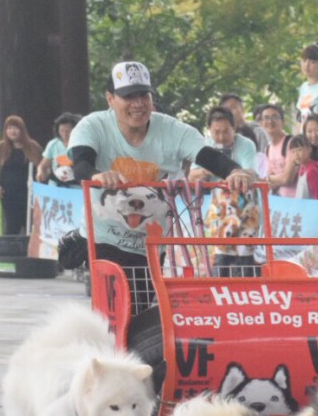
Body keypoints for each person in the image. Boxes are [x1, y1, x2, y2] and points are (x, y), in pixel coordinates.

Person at [68, 61, 252, 313]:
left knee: (141, 306)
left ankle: (133, 351)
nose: (138, 104)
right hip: (105, 235)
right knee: (113, 306)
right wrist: (97, 175)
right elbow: (80, 163)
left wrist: (234, 171)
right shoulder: (93, 125)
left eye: (143, 95)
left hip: (151, 238)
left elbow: (207, 155)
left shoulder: (171, 129)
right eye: (128, 96)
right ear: (110, 99)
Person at [0, 115, 42, 235]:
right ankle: (12, 250)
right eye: (9, 128)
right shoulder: (1, 148)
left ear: (22, 130)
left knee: (31, 225)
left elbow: (42, 167)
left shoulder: (33, 147)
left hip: (30, 193)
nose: (12, 131)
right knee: (11, 224)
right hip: (8, 194)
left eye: (16, 128)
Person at [190, 106, 258, 179]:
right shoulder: (204, 145)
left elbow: (250, 173)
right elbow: (191, 176)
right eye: (216, 132)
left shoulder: (246, 144)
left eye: (226, 132)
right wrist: (207, 171)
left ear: (234, 128)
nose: (221, 138)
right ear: (209, 129)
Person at [37, 112, 81, 185]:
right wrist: (40, 172)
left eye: (68, 131)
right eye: (62, 130)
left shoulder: (81, 144)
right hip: (55, 186)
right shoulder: (53, 144)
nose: (64, 134)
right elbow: (43, 165)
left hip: (76, 187)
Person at [258, 104, 292, 185]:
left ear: (283, 121)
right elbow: (271, 183)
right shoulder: (268, 148)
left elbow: (286, 178)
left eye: (275, 117)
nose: (270, 121)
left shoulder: (291, 143)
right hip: (276, 197)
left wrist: (266, 178)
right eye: (266, 118)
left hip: (295, 197)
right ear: (261, 123)